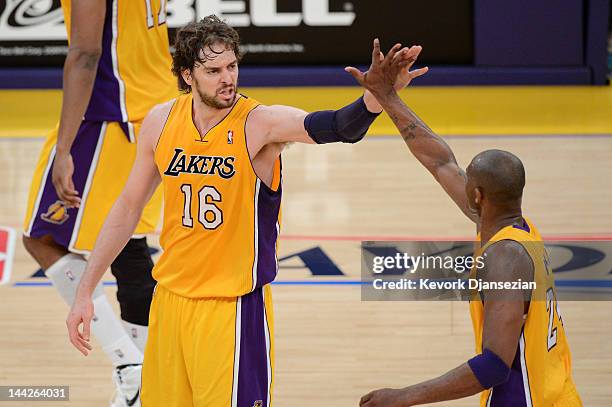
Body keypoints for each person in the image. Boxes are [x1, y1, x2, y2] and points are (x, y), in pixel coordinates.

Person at [65, 16, 426, 407]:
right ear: (188, 75)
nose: (227, 78)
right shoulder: (160, 121)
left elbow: (339, 126)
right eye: (213, 70)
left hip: (231, 310)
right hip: (169, 303)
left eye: (232, 66)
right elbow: (127, 208)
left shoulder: (261, 124)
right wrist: (85, 290)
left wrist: (377, 98)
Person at [348, 40, 582, 407]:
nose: (461, 176)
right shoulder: (514, 225)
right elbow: (441, 161)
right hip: (557, 391)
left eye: (469, 179)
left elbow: (493, 365)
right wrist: (386, 97)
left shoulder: (505, 259)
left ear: (477, 197)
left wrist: (402, 397)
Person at [22, 0, 176, 405]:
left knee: (43, 239)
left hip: (111, 113)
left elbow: (86, 53)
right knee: (129, 249)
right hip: (156, 107)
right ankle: (145, 384)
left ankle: (130, 365)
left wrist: (65, 147)